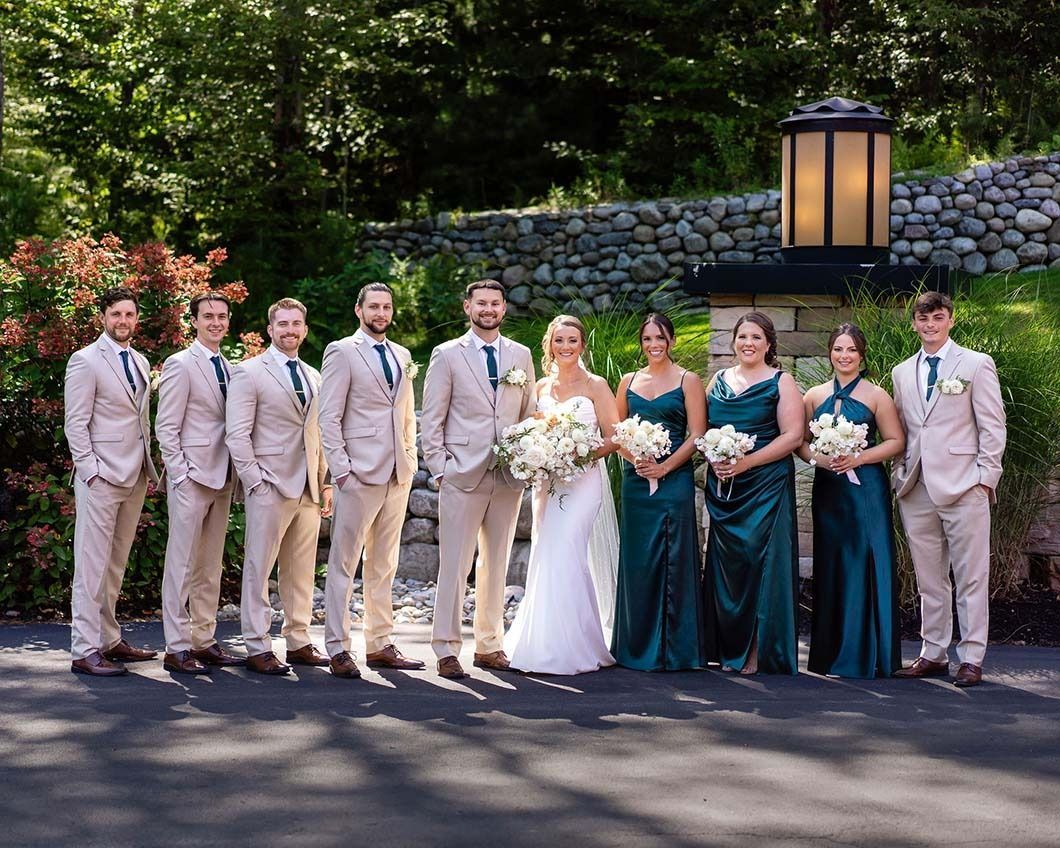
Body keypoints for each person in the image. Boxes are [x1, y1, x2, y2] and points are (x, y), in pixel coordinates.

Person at [421, 279, 537, 679]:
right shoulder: (447, 354)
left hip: (507, 477)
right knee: (455, 563)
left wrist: (526, 459)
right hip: (461, 473)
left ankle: (489, 645)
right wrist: (440, 469)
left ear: (504, 309)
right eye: (481, 303)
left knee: (497, 564)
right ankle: (447, 647)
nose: (488, 309)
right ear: (467, 307)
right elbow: (432, 418)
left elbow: (528, 411)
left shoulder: (521, 355)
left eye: (495, 303)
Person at [891, 291, 1006, 687]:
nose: (930, 325)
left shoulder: (975, 364)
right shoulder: (902, 371)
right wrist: (899, 472)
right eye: (923, 319)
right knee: (928, 578)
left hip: (964, 487)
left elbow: (993, 426)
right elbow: (905, 428)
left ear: (950, 320)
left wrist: (984, 479)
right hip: (916, 487)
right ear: (914, 324)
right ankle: (933, 653)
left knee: (972, 575)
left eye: (937, 318)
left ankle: (972, 657)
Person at [503, 315, 619, 675]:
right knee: (546, 552)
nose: (565, 347)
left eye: (572, 340)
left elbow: (615, 437)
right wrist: (539, 454)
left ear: (582, 345)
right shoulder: (540, 388)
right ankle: (548, 640)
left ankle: (572, 647)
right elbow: (534, 431)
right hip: (548, 484)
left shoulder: (596, 385)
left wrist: (581, 454)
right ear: (549, 345)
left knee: (568, 549)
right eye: (559, 341)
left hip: (584, 483)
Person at [319, 283, 424, 679]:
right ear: (358, 310)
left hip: (397, 473)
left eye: (386, 306)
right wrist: (342, 469)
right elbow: (328, 416)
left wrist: (410, 460)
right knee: (344, 562)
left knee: (384, 564)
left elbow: (408, 414)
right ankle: (338, 647)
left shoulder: (402, 355)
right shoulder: (342, 351)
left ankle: (379, 644)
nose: (381, 313)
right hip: (358, 473)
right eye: (374, 307)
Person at [225, 297, 332, 676]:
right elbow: (236, 434)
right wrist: (255, 481)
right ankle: (257, 644)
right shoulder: (249, 372)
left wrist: (326, 483)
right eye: (282, 324)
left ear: (305, 329)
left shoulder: (314, 375)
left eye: (296, 324)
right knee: (259, 568)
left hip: (309, 487)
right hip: (269, 484)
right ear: (270, 330)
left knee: (301, 570)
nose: (290, 330)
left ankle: (299, 640)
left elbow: (318, 433)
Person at [798, 323, 904, 679]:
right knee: (832, 563)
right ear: (830, 353)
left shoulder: (877, 395)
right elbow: (799, 442)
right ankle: (829, 654)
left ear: (862, 355)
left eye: (851, 350)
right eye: (838, 349)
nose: (844, 356)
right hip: (829, 489)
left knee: (864, 560)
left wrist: (858, 457)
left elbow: (895, 441)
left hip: (865, 490)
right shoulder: (813, 395)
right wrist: (820, 459)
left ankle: (866, 654)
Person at [64, 286, 160, 676]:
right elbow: (75, 422)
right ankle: (84, 650)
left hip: (134, 474)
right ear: (103, 317)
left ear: (137, 319)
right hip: (101, 476)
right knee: (91, 564)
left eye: (130, 315)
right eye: (116, 314)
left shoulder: (139, 360)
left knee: (115, 564)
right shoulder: (85, 360)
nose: (123, 321)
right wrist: (91, 471)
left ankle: (108, 638)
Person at [702, 311, 803, 675]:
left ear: (769, 344)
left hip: (766, 485)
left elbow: (792, 436)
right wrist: (714, 454)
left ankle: (760, 651)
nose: (749, 343)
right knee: (729, 566)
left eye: (757, 337)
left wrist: (747, 463)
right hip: (727, 485)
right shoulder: (718, 379)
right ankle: (726, 646)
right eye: (743, 336)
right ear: (733, 341)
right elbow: (705, 427)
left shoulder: (782, 381)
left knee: (764, 564)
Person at [611, 313, 708, 671]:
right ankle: (634, 647)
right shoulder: (628, 381)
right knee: (638, 562)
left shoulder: (688, 380)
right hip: (637, 481)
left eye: (661, 338)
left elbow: (697, 434)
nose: (654, 345)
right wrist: (636, 457)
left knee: (675, 558)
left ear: (672, 341)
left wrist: (665, 467)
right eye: (648, 338)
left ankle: (675, 650)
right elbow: (617, 431)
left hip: (674, 481)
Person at [156, 292, 246, 674]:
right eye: (207, 316)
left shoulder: (230, 366)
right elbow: (166, 426)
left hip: (223, 475)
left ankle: (203, 639)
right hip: (192, 476)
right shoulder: (180, 364)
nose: (216, 322)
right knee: (181, 563)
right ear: (193, 321)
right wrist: (181, 474)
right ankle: (176, 647)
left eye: (222, 316)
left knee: (210, 565)